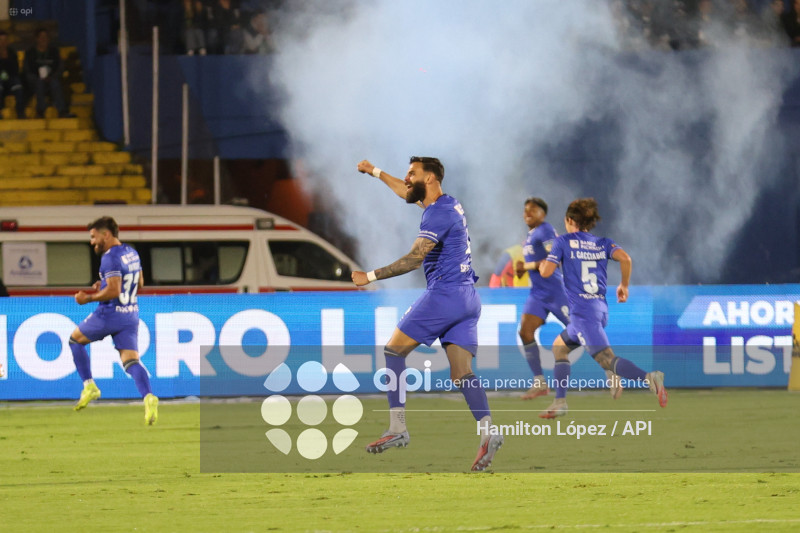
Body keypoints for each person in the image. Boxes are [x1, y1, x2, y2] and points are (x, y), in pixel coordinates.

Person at [352, 157, 503, 472]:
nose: (406, 179)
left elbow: (414, 259)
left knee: (393, 350)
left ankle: (398, 428)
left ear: (431, 178)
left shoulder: (437, 214)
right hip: (468, 299)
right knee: (461, 373)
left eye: (412, 173)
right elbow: (404, 191)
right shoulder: (448, 205)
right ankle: (489, 431)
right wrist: (376, 172)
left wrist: (370, 276)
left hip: (445, 295)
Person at [538, 198, 667, 418]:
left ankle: (649, 378)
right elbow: (625, 259)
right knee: (560, 347)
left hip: (582, 313)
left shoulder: (563, 242)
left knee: (607, 358)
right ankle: (560, 402)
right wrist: (624, 286)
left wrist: (544, 259)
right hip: (599, 308)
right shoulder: (603, 243)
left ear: (569, 220)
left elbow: (545, 272)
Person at [515, 197, 622, 402]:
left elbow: (552, 259)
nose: (527, 214)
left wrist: (525, 267)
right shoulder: (531, 236)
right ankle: (539, 382)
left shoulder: (545, 231)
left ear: (542, 214)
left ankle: (610, 370)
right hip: (537, 293)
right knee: (525, 331)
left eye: (532, 211)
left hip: (556, 292)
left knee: (583, 331)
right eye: (525, 211)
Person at [71, 217, 159, 425]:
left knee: (75, 341)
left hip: (109, 314)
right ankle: (148, 397)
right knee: (131, 362)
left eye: (94, 237)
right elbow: (141, 283)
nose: (92, 242)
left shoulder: (109, 258)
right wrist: (104, 285)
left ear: (106, 234)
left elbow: (113, 290)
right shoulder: (131, 252)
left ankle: (90, 386)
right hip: (130, 314)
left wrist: (89, 298)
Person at [22, 28, 73, 118]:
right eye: (41, 37)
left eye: (45, 37)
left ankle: (61, 110)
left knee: (55, 83)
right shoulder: (30, 53)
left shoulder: (54, 51)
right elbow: (27, 70)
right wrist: (37, 77)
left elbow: (59, 67)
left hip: (51, 78)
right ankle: (41, 110)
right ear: (37, 39)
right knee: (39, 83)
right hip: (35, 80)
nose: (44, 39)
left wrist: (52, 76)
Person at [0, 30, 25, 119]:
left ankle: (20, 112)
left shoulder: (12, 53)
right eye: (1, 40)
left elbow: (15, 70)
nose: (3, 43)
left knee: (18, 84)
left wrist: (6, 59)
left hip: (11, 78)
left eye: (5, 40)